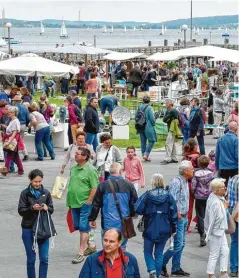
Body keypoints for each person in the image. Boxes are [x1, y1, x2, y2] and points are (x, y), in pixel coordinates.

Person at [135, 174, 177, 278]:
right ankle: (157, 275)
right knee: (159, 254)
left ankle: (152, 270)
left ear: (153, 182)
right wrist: (174, 228)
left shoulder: (147, 195)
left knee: (147, 252)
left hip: (149, 227)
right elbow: (174, 214)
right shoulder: (168, 195)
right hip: (165, 227)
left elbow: (138, 209)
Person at [89, 162, 138, 251]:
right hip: (124, 222)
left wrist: (92, 219)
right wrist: (131, 214)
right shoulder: (129, 185)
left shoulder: (103, 185)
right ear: (120, 171)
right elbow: (134, 204)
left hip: (108, 223)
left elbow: (96, 204)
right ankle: (121, 263)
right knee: (122, 248)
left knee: (108, 248)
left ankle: (109, 264)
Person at [18, 169, 54, 278]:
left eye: (39, 181)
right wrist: (32, 208)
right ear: (30, 180)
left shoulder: (46, 193)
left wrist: (47, 208)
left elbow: (51, 210)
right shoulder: (25, 193)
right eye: (35, 181)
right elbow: (21, 210)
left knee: (44, 258)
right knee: (31, 258)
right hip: (28, 228)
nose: (37, 184)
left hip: (43, 228)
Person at [161, 161, 194, 277]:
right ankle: (161, 264)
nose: (193, 170)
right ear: (185, 171)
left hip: (184, 217)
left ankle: (176, 267)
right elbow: (172, 200)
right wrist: (178, 214)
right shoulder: (176, 181)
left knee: (182, 244)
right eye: (191, 168)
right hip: (178, 218)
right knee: (177, 244)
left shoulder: (185, 181)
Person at [66, 147, 99, 264]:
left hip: (85, 203)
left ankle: (81, 253)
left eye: (78, 154)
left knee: (83, 228)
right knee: (80, 227)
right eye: (75, 153)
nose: (75, 155)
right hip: (74, 203)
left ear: (85, 157)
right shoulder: (74, 168)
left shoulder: (91, 169)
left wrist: (89, 201)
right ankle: (91, 245)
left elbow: (95, 187)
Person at [204, 178, 229, 278]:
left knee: (225, 250)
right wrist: (225, 208)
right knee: (214, 253)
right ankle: (211, 275)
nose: (225, 188)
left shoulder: (214, 197)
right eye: (223, 187)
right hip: (216, 231)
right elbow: (216, 219)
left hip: (220, 230)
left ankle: (223, 272)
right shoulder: (215, 202)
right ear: (218, 190)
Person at [191, 155, 214, 247]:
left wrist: (194, 192)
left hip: (199, 197)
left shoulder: (196, 174)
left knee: (200, 216)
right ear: (208, 163)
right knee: (209, 215)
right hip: (209, 196)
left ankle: (202, 234)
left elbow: (193, 186)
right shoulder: (212, 174)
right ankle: (210, 233)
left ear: (199, 163)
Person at [182, 138, 200, 233]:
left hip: (186, 183)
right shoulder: (197, 157)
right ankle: (198, 223)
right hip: (197, 184)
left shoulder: (185, 157)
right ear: (195, 146)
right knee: (200, 205)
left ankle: (186, 226)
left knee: (188, 206)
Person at [1, 106, 24, 178]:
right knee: (16, 157)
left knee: (9, 157)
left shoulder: (15, 121)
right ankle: (21, 170)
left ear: (13, 113)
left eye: (9, 112)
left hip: (13, 141)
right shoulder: (13, 120)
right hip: (14, 140)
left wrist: (9, 141)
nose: (8, 114)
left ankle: (4, 173)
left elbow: (14, 132)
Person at [215, 121, 238, 186]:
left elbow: (217, 154)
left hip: (223, 167)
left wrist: (217, 167)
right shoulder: (236, 139)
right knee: (235, 187)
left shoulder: (221, 139)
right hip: (234, 167)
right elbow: (237, 155)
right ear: (236, 129)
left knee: (222, 187)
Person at [136, 95, 157, 162]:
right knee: (152, 140)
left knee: (143, 141)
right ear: (149, 101)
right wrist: (153, 123)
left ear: (143, 100)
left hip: (140, 126)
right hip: (148, 126)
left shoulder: (139, 107)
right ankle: (146, 154)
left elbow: (136, 116)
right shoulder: (149, 108)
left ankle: (143, 155)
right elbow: (152, 118)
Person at [12, 94, 30, 161]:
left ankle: (15, 154)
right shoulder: (25, 108)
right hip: (23, 125)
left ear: (15, 101)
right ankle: (25, 154)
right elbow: (28, 118)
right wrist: (26, 125)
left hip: (16, 125)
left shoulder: (14, 108)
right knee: (20, 140)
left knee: (14, 140)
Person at [161, 99, 178, 165]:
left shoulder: (172, 111)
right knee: (172, 144)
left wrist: (167, 119)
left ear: (170, 104)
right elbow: (165, 119)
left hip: (172, 129)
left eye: (167, 102)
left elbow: (164, 119)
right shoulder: (170, 110)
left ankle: (167, 159)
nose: (165, 103)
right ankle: (174, 158)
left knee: (168, 143)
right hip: (172, 129)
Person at [227, 175, 239, 278]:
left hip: (232, 210)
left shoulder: (233, 178)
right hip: (237, 211)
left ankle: (234, 269)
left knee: (235, 241)